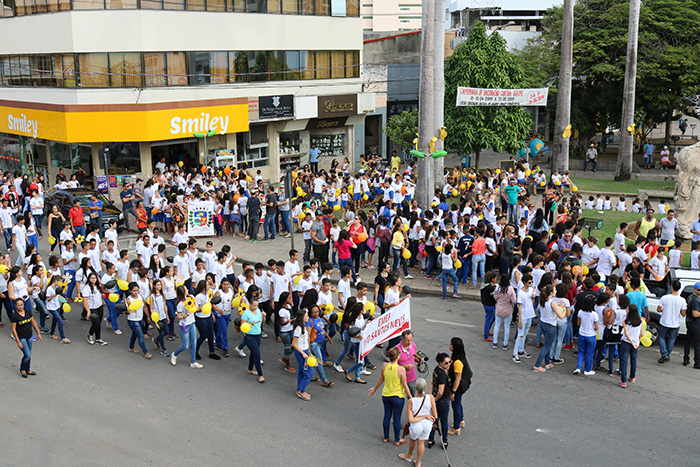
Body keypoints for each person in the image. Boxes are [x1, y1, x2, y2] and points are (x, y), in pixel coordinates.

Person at [368, 346, 411, 445]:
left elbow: (381, 379)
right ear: (398, 356)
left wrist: (374, 389)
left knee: (387, 415)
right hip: (398, 396)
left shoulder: (384, 365)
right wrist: (410, 397)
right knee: (397, 418)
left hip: (386, 395)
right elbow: (404, 385)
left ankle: (386, 436)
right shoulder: (401, 369)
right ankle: (397, 439)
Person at [399, 377, 437, 467]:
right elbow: (435, 415)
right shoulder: (431, 397)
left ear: (415, 388)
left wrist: (423, 416)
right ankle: (418, 462)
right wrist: (426, 416)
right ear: (425, 387)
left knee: (413, 440)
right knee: (421, 443)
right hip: (427, 425)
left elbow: (411, 420)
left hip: (416, 425)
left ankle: (409, 455)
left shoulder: (411, 401)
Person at [171, 285, 202, 368]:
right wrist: (186, 315)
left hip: (192, 323)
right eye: (186, 289)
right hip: (184, 326)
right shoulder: (180, 305)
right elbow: (179, 317)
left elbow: (196, 308)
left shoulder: (190, 300)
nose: (188, 290)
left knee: (194, 343)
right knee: (185, 346)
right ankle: (174, 354)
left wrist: (194, 299)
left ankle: (193, 361)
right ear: (183, 292)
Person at [657, 280, 686, 364]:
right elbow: (683, 314)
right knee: (671, 340)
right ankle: (667, 354)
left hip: (664, 321)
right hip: (675, 323)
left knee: (661, 337)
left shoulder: (664, 298)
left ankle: (664, 353)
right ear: (679, 288)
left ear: (672, 287)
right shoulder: (682, 300)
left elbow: (658, 309)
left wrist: (663, 309)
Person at [10, 298, 41, 377]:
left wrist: (38, 333)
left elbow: (33, 322)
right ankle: (22, 369)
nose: (20, 307)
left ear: (23, 305)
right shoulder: (14, 316)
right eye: (18, 305)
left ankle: (28, 369)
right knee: (27, 355)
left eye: (21, 305)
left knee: (29, 353)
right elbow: (13, 329)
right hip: (22, 338)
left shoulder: (27, 312)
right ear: (15, 306)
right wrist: (18, 342)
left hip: (29, 336)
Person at [447, 337, 471, 435]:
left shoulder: (457, 362)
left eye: (451, 344)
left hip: (457, 387)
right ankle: (461, 420)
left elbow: (457, 378)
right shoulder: (460, 356)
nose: (449, 345)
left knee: (455, 405)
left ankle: (456, 427)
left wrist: (453, 392)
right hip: (462, 385)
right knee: (458, 403)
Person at [427, 352, 451, 449]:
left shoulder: (436, 370)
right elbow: (441, 392)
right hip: (443, 400)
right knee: (443, 421)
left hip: (435, 397)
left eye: (449, 362)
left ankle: (430, 439)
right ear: (440, 362)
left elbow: (432, 382)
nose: (448, 364)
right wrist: (435, 399)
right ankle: (444, 441)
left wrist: (431, 396)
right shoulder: (442, 375)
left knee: (434, 419)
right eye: (446, 363)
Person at [573, 294, 599, 376]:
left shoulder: (580, 312)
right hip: (591, 335)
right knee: (590, 354)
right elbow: (597, 327)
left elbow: (578, 323)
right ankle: (587, 370)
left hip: (582, 334)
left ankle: (578, 368)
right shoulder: (594, 314)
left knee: (581, 352)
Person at [241, 297, 265, 383]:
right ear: (250, 304)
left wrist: (264, 316)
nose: (255, 307)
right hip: (249, 337)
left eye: (257, 305)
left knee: (253, 353)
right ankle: (260, 375)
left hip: (258, 335)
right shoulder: (246, 314)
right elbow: (242, 326)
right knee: (257, 355)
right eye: (254, 305)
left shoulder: (258, 311)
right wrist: (248, 326)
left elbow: (262, 322)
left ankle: (250, 369)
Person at [125, 282, 151, 359]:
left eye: (137, 290)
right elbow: (125, 311)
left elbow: (144, 307)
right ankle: (145, 352)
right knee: (140, 335)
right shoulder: (128, 300)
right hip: (132, 320)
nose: (136, 292)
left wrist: (148, 316)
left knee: (135, 333)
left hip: (140, 319)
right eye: (134, 291)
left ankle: (131, 347)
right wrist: (128, 312)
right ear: (130, 291)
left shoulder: (140, 296)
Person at [619, 304, 643, 388]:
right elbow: (642, 334)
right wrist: (636, 341)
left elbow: (626, 334)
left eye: (628, 309)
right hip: (635, 343)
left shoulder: (625, 321)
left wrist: (632, 342)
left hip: (626, 342)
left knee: (624, 361)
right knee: (633, 360)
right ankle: (632, 377)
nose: (626, 310)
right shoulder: (640, 322)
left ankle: (623, 381)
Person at [292, 309, 313, 400]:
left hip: (305, 351)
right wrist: (303, 353)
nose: (308, 317)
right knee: (309, 373)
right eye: (306, 316)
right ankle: (301, 391)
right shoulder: (298, 329)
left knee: (302, 371)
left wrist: (308, 350)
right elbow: (294, 344)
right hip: (301, 352)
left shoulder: (303, 326)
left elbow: (306, 339)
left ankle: (300, 389)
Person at [82, 273, 107, 346]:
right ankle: (90, 334)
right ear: (89, 279)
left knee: (98, 323)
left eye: (95, 278)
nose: (94, 279)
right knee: (96, 323)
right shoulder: (86, 288)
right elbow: (85, 301)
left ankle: (98, 339)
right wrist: (88, 311)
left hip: (99, 306)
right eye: (92, 278)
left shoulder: (98, 286)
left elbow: (100, 295)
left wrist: (103, 296)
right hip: (92, 308)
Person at [492, 274, 516, 351]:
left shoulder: (498, 288)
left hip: (499, 308)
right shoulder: (510, 289)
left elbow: (495, 297)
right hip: (508, 309)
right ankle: (505, 344)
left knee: (497, 325)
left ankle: (495, 342)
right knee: (507, 327)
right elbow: (514, 300)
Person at [395, 329, 419, 395]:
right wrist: (404, 367)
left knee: (412, 397)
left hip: (412, 378)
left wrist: (418, 360)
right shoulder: (396, 350)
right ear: (402, 339)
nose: (409, 342)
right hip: (399, 380)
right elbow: (391, 366)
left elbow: (414, 357)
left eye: (411, 340)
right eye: (407, 340)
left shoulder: (413, 345)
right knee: (399, 397)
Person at [684, 282, 700, 368]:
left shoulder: (690, 297)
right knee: (697, 344)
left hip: (689, 322)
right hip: (695, 324)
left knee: (688, 341)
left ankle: (686, 359)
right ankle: (697, 363)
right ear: (694, 289)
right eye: (699, 290)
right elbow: (695, 314)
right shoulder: (695, 300)